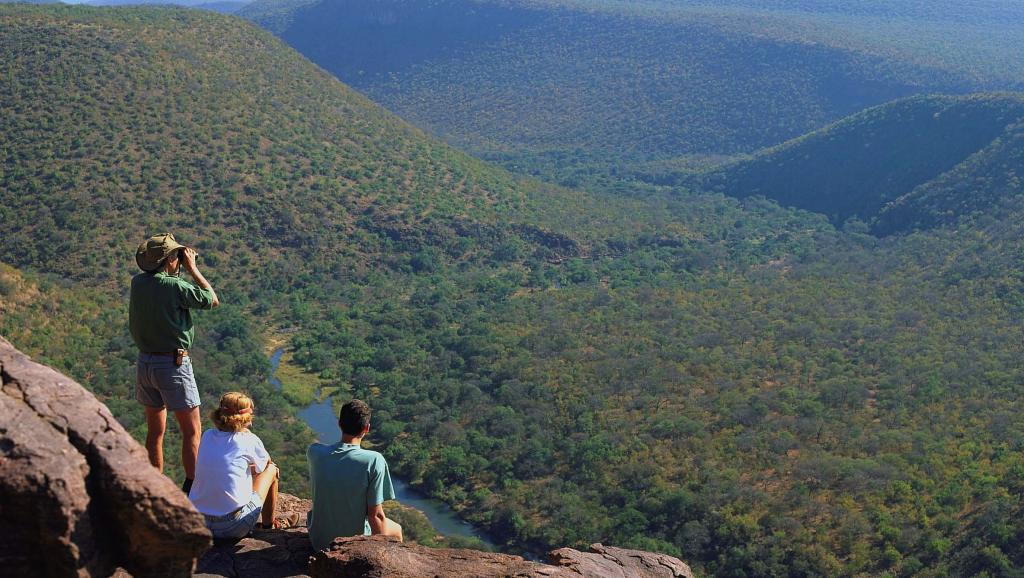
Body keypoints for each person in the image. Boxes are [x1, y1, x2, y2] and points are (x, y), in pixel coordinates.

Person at [130, 232, 219, 493]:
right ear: (170, 259)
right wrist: (193, 268)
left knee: (155, 431)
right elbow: (211, 299)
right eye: (176, 256)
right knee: (192, 431)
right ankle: (194, 490)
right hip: (173, 365)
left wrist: (175, 269)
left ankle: (153, 486)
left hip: (145, 364)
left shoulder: (138, 283)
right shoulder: (175, 286)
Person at [189, 392, 297, 538]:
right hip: (232, 527)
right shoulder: (247, 439)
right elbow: (266, 464)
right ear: (245, 418)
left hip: (198, 522)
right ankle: (269, 526)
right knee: (272, 470)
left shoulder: (207, 435)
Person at [307, 399, 403, 550]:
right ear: (366, 428)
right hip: (351, 545)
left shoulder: (314, 452)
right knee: (397, 529)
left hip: (318, 541)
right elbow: (375, 516)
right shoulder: (373, 461)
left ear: (339, 424)